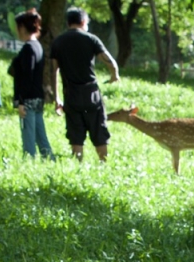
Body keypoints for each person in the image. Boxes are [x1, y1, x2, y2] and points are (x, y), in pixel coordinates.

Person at [50, 6, 119, 162]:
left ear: (68, 23)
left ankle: (78, 165)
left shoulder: (58, 42)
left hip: (71, 95)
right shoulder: (91, 39)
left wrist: (57, 98)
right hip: (91, 94)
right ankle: (103, 163)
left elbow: (53, 71)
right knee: (99, 131)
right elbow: (111, 63)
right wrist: (114, 75)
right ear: (83, 21)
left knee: (75, 134)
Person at [9, 8, 54, 159]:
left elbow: (27, 76)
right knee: (40, 136)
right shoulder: (37, 46)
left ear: (22, 27)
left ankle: (29, 162)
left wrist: (21, 101)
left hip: (28, 99)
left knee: (28, 137)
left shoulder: (28, 48)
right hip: (37, 97)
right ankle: (50, 160)